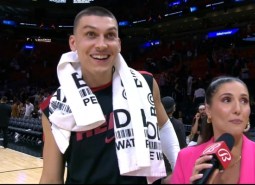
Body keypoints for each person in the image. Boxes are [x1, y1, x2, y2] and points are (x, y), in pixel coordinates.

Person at [39, 6, 180, 184]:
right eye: (91, 34)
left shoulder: (145, 83)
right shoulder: (54, 106)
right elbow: (51, 179)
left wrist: (180, 167)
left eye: (110, 35)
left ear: (119, 43)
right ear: (73, 43)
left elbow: (164, 128)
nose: (102, 44)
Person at [170, 76, 255, 184]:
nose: (238, 108)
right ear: (208, 111)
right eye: (227, 100)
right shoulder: (186, 159)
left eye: (244, 101)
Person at [161, 96, 187, 174]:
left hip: (157, 165)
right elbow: (183, 145)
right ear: (174, 108)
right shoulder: (178, 124)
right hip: (172, 165)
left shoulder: (153, 123)